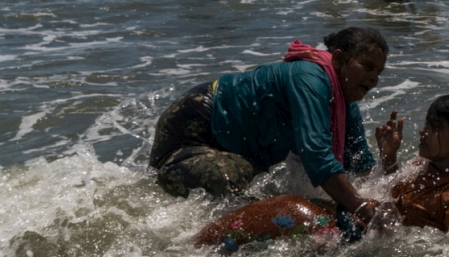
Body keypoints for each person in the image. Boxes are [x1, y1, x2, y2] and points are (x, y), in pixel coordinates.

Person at [193, 95, 449, 250]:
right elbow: (386, 192)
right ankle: (199, 247)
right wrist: (388, 158)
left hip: (362, 240)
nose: (422, 133)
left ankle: (195, 252)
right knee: (284, 209)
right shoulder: (422, 165)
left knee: (292, 210)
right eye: (426, 125)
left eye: (434, 128)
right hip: (354, 224)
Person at [149, 27, 392, 230]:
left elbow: (359, 168)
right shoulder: (310, 78)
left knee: (268, 191)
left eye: (379, 72)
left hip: (231, 142)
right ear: (338, 59)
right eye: (367, 66)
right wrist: (362, 210)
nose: (374, 79)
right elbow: (317, 156)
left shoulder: (345, 103)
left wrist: (388, 159)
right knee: (237, 183)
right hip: (193, 129)